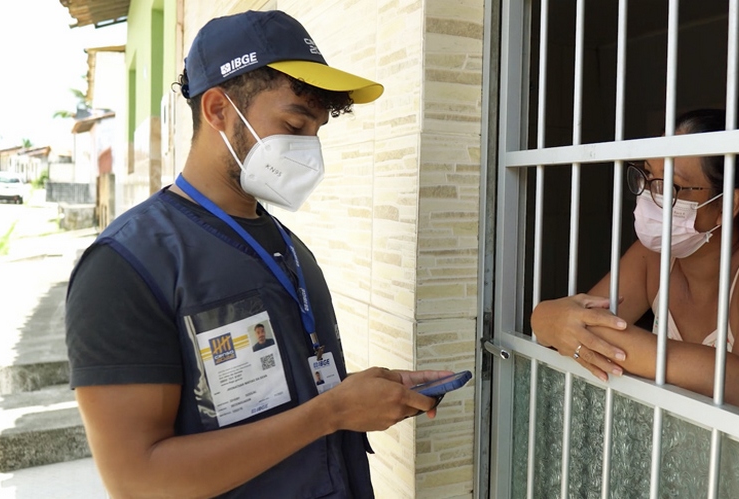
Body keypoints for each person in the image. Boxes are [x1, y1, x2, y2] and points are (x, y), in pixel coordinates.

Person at [65, 10, 452, 498]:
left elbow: (278, 398)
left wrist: (360, 397)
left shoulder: (286, 245)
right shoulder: (127, 267)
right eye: (293, 124)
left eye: (317, 130)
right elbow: (137, 480)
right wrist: (331, 412)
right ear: (217, 110)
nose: (309, 149)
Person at [531, 109, 739, 437]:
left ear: (727, 206)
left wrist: (588, 335)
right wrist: (543, 317)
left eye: (670, 186)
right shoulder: (652, 258)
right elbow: (567, 326)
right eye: (648, 176)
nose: (649, 197)